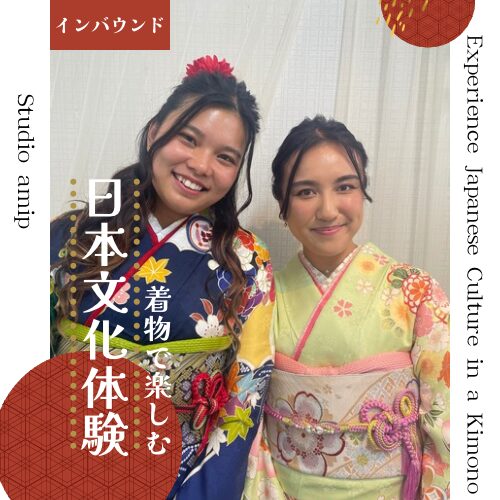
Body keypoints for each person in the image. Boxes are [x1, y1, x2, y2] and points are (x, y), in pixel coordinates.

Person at [50, 56, 274, 499]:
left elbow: (246, 395)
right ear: (154, 132)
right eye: (188, 138)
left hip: (180, 480)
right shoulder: (71, 233)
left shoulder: (246, 260)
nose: (201, 164)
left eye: (225, 157)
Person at [244, 116, 449, 499]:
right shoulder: (263, 297)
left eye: (345, 187)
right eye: (306, 192)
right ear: (282, 205)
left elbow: (449, 421)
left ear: (362, 189)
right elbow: (250, 423)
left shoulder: (416, 292)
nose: (328, 210)